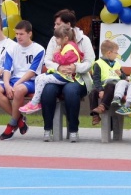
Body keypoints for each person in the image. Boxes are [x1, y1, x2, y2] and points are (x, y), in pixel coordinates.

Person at [38, 9, 95, 143]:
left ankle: (73, 130)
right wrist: (59, 67)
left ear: (68, 24)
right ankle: (47, 129)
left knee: (70, 90)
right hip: (58, 76)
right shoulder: (54, 39)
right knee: (48, 90)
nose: (55, 27)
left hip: (78, 78)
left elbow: (90, 62)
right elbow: (47, 60)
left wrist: (75, 67)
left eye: (58, 24)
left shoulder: (84, 39)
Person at [20, 24, 81, 115]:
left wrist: (56, 54)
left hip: (67, 76)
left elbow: (63, 60)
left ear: (66, 38)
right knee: (39, 78)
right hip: (62, 74)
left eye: (57, 38)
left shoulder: (70, 48)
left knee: (42, 80)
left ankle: (34, 103)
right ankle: (37, 100)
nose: (55, 40)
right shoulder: (66, 46)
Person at [0, 20, 45, 140]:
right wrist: (7, 84)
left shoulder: (38, 49)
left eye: (21, 34)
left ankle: (12, 123)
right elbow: (7, 69)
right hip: (13, 80)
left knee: (18, 90)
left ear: (29, 34)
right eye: (17, 34)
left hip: (30, 81)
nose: (18, 37)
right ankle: (20, 120)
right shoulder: (12, 48)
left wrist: (15, 85)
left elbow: (32, 72)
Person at [88, 39, 122, 127]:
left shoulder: (117, 64)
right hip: (102, 87)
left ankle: (102, 106)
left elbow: (124, 77)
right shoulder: (98, 64)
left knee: (110, 85)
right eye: (116, 52)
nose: (117, 54)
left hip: (114, 88)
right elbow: (96, 79)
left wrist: (121, 75)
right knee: (92, 92)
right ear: (109, 53)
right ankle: (95, 115)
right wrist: (100, 90)